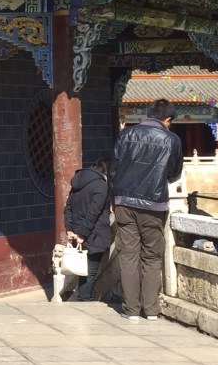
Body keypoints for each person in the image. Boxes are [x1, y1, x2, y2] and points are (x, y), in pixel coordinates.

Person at [110, 98, 183, 321]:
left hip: (124, 202)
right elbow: (174, 173)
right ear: (167, 119)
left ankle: (131, 309)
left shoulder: (126, 135)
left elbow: (114, 170)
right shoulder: (172, 139)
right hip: (154, 203)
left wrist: (114, 197)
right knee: (152, 256)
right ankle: (151, 310)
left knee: (128, 255)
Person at [63, 159, 110, 301]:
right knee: (90, 272)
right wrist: (83, 234)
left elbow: (68, 208)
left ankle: (84, 298)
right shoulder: (101, 185)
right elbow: (94, 212)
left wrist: (70, 229)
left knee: (83, 271)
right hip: (94, 234)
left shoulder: (76, 184)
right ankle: (84, 301)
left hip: (77, 233)